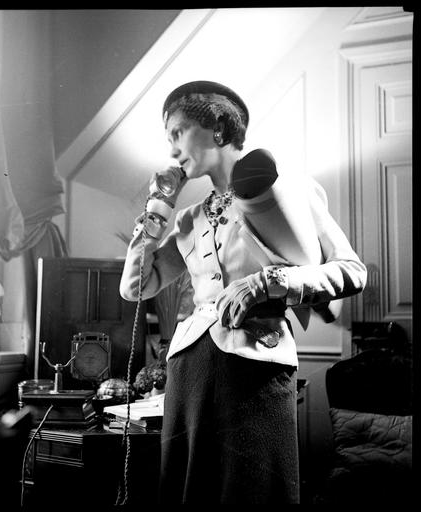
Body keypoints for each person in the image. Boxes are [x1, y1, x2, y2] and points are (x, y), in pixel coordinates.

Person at [119, 80, 367, 505]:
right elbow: (135, 287)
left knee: (255, 492)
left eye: (177, 133)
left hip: (256, 369)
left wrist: (269, 282)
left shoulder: (289, 188)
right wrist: (159, 205)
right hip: (189, 369)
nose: (172, 150)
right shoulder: (188, 219)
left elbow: (352, 271)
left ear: (217, 128)